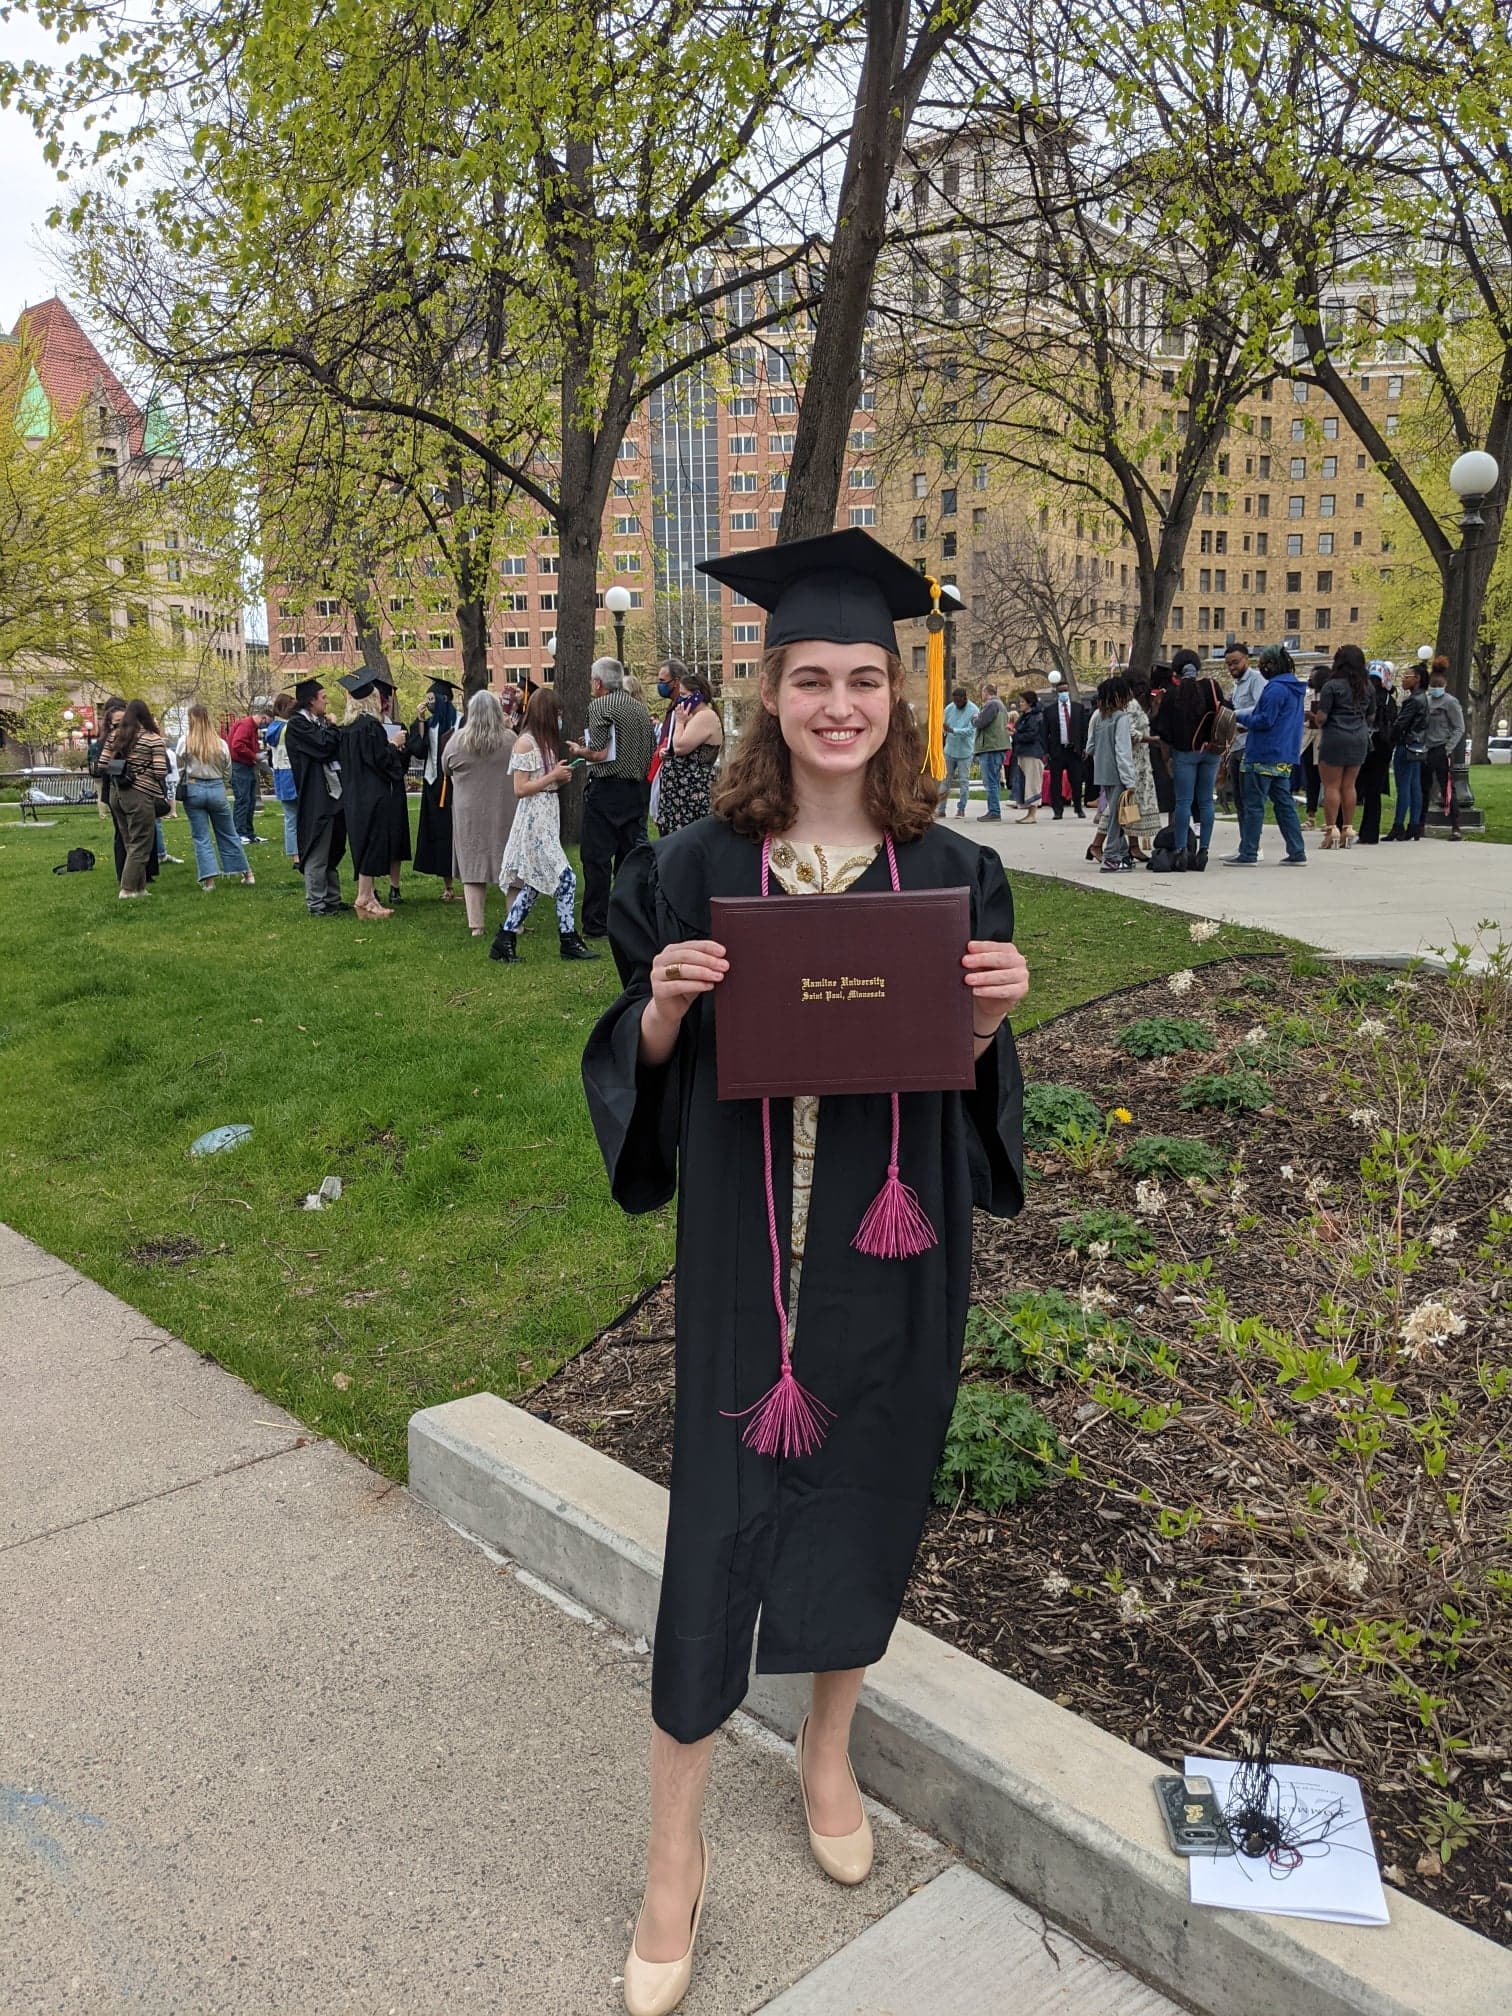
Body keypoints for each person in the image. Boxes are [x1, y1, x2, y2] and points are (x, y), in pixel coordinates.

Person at [581, 528, 1027, 2016]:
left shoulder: (958, 874)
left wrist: (984, 1022)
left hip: (888, 1247)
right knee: (716, 1523)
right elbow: (638, 1064)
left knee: (870, 1480)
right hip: (745, 1246)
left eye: (864, 679)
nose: (839, 703)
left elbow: (971, 1089)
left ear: (897, 698)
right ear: (770, 695)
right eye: (810, 678)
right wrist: (661, 1008)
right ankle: (672, 1854)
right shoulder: (694, 867)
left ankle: (829, 1754)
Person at [492, 686, 599, 962]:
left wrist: (559, 776)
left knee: (534, 883)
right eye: (557, 714)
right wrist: (552, 776)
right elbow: (520, 787)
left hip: (547, 813)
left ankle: (505, 938)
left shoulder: (543, 743)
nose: (560, 719)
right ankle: (568, 938)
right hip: (535, 819)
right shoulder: (526, 742)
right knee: (565, 877)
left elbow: (543, 779)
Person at [569, 657, 655, 938]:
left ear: (598, 682)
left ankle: (596, 922)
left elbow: (599, 752)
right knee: (629, 858)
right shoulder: (640, 709)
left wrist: (579, 751)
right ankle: (629, 918)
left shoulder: (600, 706)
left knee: (596, 859)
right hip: (637, 790)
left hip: (607, 791)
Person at [1223, 646, 1308, 867]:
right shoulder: (1294, 688)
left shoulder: (1275, 689)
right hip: (1283, 753)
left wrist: (1240, 717)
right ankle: (1297, 851)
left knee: (1253, 804)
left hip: (1263, 752)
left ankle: (1249, 852)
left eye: (1263, 664)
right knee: (1284, 803)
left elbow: (1264, 720)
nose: (1261, 668)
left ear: (1271, 665)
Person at [443, 687, 518, 936]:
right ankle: (514, 922)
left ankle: (477, 925)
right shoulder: (510, 739)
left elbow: (446, 767)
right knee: (510, 865)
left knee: (472, 864)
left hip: (469, 812)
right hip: (504, 809)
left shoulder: (458, 740)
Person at [339, 669, 411, 918]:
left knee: (362, 842)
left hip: (353, 795)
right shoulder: (370, 726)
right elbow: (380, 761)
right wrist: (394, 745)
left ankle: (367, 895)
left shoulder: (346, 728)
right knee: (371, 842)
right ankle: (364, 898)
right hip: (372, 794)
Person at [1152, 649, 1223, 869]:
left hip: (1184, 753)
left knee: (1183, 802)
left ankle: (1181, 849)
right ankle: (1204, 850)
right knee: (1205, 802)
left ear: (1176, 670)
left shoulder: (1172, 695)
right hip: (1211, 751)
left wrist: (1167, 759)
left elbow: (1163, 731)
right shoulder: (1211, 687)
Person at [285, 676, 348, 916]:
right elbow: (323, 747)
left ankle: (332, 898)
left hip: (333, 793)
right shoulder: (298, 726)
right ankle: (317, 902)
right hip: (316, 795)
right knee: (318, 850)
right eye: (323, 697)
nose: (327, 702)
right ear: (311, 701)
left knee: (333, 849)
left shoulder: (315, 722)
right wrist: (332, 727)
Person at [176, 702, 254, 891]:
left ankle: (209, 881)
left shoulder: (185, 741)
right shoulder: (220, 743)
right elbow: (228, 768)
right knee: (228, 833)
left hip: (194, 787)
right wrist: (221, 782)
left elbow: (180, 767)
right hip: (217, 787)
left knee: (201, 837)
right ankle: (247, 873)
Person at [102, 699, 169, 898]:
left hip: (117, 794)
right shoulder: (152, 739)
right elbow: (160, 771)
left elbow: (102, 764)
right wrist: (142, 771)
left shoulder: (115, 736)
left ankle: (140, 888)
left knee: (129, 841)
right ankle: (128, 888)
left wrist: (124, 769)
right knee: (141, 842)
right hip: (140, 794)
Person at [1312, 642, 1376, 849]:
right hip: (1359, 737)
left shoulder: (1332, 686)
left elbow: (1322, 717)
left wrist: (1314, 718)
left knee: (1331, 786)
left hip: (1335, 737)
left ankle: (1332, 830)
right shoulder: (1368, 687)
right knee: (1349, 785)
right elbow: (1371, 715)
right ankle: (1348, 827)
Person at [407, 676, 460, 898]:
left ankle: (469, 882)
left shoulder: (461, 722)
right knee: (440, 836)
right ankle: (447, 886)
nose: (428, 703)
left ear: (444, 698)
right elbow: (418, 751)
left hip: (458, 786)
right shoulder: (427, 725)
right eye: (426, 699)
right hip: (434, 786)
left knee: (459, 835)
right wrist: (419, 720)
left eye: (432, 698)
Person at [656, 669, 724, 834]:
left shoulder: (704, 716)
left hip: (690, 792)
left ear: (697, 695)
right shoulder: (695, 716)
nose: (680, 699)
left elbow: (680, 746)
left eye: (684, 694)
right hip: (680, 794)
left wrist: (680, 722)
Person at [1087, 675, 1137, 871]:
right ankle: (1112, 856)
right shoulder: (1121, 719)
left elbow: (1090, 746)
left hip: (1102, 772)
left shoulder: (1098, 717)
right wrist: (1130, 779)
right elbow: (1122, 750)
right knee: (1118, 818)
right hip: (1118, 773)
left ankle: (1123, 853)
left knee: (1116, 812)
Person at [1422, 655, 1466, 841]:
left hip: (1441, 748)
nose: (1435, 689)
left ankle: (1456, 826)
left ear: (1444, 685)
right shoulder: (1426, 701)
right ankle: (1419, 824)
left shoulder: (1450, 702)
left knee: (1447, 788)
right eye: (1433, 686)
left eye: (1438, 686)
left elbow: (1459, 727)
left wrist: (1449, 747)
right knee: (1423, 787)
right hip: (1425, 749)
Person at [1384, 663, 1430, 841]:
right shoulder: (1423, 698)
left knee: (1404, 787)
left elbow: (1400, 724)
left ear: (1417, 679)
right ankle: (1414, 825)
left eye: (1407, 676)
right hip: (1417, 746)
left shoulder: (1412, 700)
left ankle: (1398, 825)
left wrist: (1391, 737)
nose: (1403, 679)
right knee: (1414, 786)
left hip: (1406, 745)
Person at [1356, 666, 1398, 844]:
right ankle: (1370, 832)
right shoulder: (1390, 701)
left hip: (1368, 746)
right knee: (1374, 792)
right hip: (1384, 748)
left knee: (1357, 787)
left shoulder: (1365, 698)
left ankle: (1346, 827)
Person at [1222, 643, 1264, 812]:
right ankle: (1244, 836)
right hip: (1236, 745)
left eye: (1235, 662)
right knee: (1238, 798)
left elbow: (1261, 707)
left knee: (1249, 798)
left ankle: (1251, 836)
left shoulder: (1256, 679)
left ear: (1246, 659)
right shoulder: (1237, 684)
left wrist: (1236, 715)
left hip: (1250, 745)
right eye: (1229, 664)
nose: (1232, 667)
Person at [1123, 679, 1161, 862]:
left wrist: (1154, 708)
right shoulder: (1131, 705)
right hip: (1134, 762)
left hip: (1142, 763)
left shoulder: (1137, 706)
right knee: (1128, 804)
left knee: (1133, 807)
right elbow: (1129, 733)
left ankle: (1133, 845)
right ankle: (1097, 843)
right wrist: (1150, 739)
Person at [1042, 670, 1089, 818]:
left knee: (1076, 781)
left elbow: (1083, 729)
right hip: (1057, 750)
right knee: (1056, 782)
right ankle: (1058, 810)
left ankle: (1078, 808)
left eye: (1065, 691)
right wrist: (1046, 751)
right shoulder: (1050, 710)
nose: (1063, 693)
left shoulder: (1078, 708)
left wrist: (1083, 747)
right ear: (1057, 693)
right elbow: (1044, 732)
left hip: (1073, 750)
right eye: (1061, 691)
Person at [226, 698, 271, 845]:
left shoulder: (251, 727)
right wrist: (254, 755)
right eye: (267, 721)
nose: (266, 725)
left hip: (246, 765)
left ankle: (249, 833)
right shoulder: (246, 725)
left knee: (250, 800)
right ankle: (239, 833)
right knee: (243, 800)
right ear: (263, 717)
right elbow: (237, 744)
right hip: (240, 766)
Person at [263, 692, 301, 864]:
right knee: (301, 815)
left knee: (290, 818)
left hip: (280, 774)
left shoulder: (273, 729)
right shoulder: (289, 728)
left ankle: (295, 855)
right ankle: (302, 851)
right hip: (293, 773)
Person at [971, 681, 1011, 820]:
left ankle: (994, 811)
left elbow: (980, 722)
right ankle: (994, 809)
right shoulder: (1001, 705)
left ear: (986, 692)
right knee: (994, 780)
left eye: (982, 692)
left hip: (990, 746)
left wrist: (974, 718)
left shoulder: (991, 704)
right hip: (997, 746)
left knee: (990, 781)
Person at [939, 684, 978, 816]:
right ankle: (941, 809)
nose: (957, 703)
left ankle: (961, 809)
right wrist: (943, 730)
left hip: (965, 752)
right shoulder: (949, 708)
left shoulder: (974, 710)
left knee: (963, 781)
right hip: (950, 750)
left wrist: (953, 730)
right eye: (955, 701)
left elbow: (970, 731)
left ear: (965, 698)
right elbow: (943, 724)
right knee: (945, 781)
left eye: (959, 701)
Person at [1010, 686, 1047, 822]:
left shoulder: (1036, 717)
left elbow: (1031, 735)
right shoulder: (1026, 716)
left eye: (1023, 702)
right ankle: (1028, 812)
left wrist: (1015, 734)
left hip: (1032, 752)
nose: (1020, 704)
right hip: (1023, 752)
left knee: (1032, 783)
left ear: (1030, 703)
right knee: (1026, 782)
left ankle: (1032, 814)